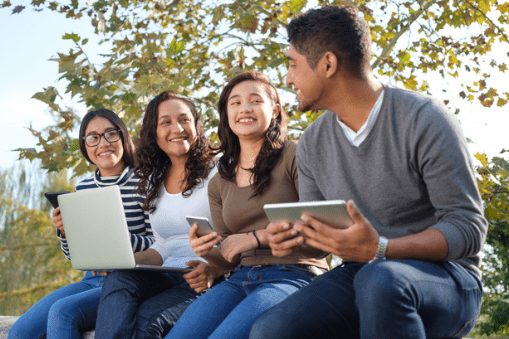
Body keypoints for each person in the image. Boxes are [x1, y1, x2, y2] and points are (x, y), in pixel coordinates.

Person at [249, 6, 487, 339]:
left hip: (447, 279)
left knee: (381, 281)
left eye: (292, 64)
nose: (287, 79)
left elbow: (468, 229)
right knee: (270, 330)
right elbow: (321, 245)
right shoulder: (313, 143)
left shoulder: (424, 118)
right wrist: (297, 240)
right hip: (361, 272)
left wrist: (382, 249)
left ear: (328, 64)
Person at [165, 71, 329, 339]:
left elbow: (320, 229)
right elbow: (230, 257)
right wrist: (207, 253)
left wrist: (255, 238)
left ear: (275, 110)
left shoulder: (295, 154)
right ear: (227, 115)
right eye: (236, 103)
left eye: (255, 101)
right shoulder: (219, 182)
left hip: (294, 275)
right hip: (240, 278)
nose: (245, 109)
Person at [8, 108, 155, 339]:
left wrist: (117, 242)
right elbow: (75, 257)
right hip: (92, 280)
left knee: (63, 313)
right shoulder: (83, 188)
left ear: (123, 137)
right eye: (93, 138)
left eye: (110, 134)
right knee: (20, 331)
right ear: (85, 145)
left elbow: (160, 243)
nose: (103, 143)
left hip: (130, 282)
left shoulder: (145, 183)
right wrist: (65, 233)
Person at [94, 91, 224, 339]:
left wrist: (214, 266)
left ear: (197, 125)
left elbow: (235, 228)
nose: (177, 128)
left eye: (184, 119)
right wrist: (124, 261)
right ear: (154, 133)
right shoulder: (154, 178)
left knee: (147, 320)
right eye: (165, 122)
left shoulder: (219, 167)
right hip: (169, 273)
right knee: (120, 280)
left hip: (207, 275)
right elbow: (163, 246)